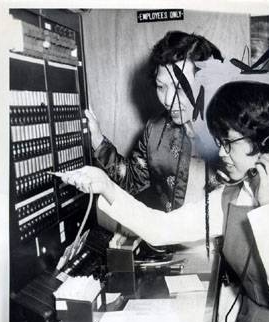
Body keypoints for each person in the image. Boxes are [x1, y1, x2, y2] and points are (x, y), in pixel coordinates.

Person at [60, 80, 269, 322]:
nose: (220, 152)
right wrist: (106, 186)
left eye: (228, 141)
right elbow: (160, 228)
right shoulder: (235, 194)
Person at [87, 30, 223, 212]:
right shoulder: (155, 130)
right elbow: (132, 180)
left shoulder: (235, 132)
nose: (167, 99)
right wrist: (97, 140)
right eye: (161, 87)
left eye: (180, 88)